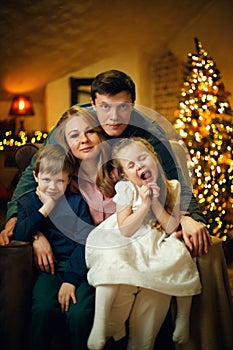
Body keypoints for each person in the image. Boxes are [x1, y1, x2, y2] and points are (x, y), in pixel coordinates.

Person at [0, 70, 211, 261]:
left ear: (132, 105)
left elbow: (176, 177)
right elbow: (33, 174)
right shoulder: (74, 124)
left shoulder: (149, 131)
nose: (114, 117)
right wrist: (16, 221)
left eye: (123, 107)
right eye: (105, 107)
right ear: (93, 104)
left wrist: (191, 218)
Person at [85, 137, 201, 350]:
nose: (139, 166)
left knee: (180, 253)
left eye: (142, 158)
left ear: (155, 159)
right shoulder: (126, 189)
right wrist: (144, 204)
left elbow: (170, 227)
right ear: (125, 175)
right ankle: (100, 325)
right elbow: (125, 229)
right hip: (128, 241)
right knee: (113, 257)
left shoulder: (172, 187)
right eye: (131, 165)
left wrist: (155, 204)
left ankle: (182, 320)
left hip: (155, 244)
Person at [12, 143, 95, 350]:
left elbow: (84, 241)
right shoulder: (28, 202)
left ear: (68, 180)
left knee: (79, 313)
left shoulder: (77, 203)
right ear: (35, 176)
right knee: (43, 307)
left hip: (77, 269)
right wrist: (46, 208)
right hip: (46, 272)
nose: (52, 187)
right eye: (46, 180)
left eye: (59, 181)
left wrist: (71, 280)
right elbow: (21, 233)